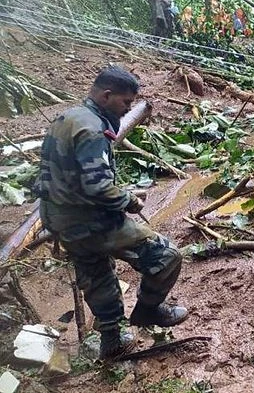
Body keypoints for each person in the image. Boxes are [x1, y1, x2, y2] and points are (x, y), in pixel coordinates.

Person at [36, 67, 187, 359]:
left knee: (97, 273)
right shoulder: (92, 130)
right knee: (166, 257)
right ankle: (148, 311)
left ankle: (112, 340)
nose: (128, 109)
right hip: (90, 220)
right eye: (126, 103)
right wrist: (129, 200)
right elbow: (98, 187)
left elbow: (56, 175)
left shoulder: (67, 117)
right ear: (107, 95)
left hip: (60, 219)